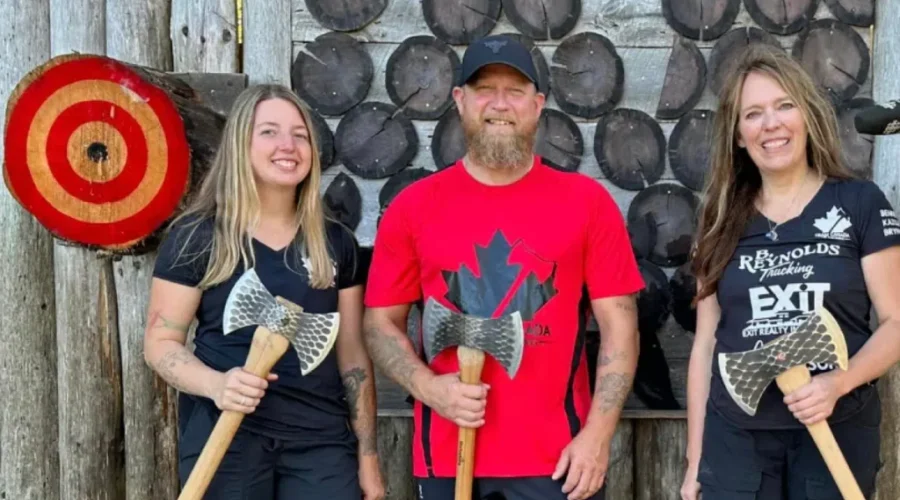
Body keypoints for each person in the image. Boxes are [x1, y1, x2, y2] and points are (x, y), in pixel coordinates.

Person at [362, 34, 644, 500]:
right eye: (484, 90)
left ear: (537, 105)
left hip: (560, 460)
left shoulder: (586, 203)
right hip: (448, 458)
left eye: (514, 91)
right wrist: (428, 387)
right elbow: (379, 324)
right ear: (460, 100)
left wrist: (598, 435)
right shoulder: (414, 208)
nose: (499, 104)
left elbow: (620, 329)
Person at [144, 84, 384, 499]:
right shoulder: (197, 237)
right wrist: (217, 385)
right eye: (269, 131)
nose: (288, 145)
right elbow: (160, 343)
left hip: (321, 443)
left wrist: (368, 456)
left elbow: (352, 357)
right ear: (241, 144)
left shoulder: (335, 243)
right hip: (227, 437)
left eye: (300, 134)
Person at [681, 45, 900, 500]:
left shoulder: (859, 203)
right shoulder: (719, 220)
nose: (771, 124)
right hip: (736, 441)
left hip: (837, 427)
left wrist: (839, 382)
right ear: (738, 135)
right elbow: (705, 346)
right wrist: (695, 459)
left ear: (807, 115)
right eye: (753, 114)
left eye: (784, 106)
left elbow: (896, 322)